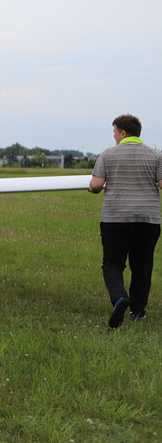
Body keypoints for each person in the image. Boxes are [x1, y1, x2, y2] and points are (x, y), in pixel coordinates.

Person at [88, 114, 162, 328]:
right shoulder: (156, 155)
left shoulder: (108, 154)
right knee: (143, 265)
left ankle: (120, 298)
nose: (114, 137)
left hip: (115, 218)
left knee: (112, 263)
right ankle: (137, 312)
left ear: (123, 132)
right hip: (148, 219)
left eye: (115, 133)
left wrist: (92, 189)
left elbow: (96, 185)